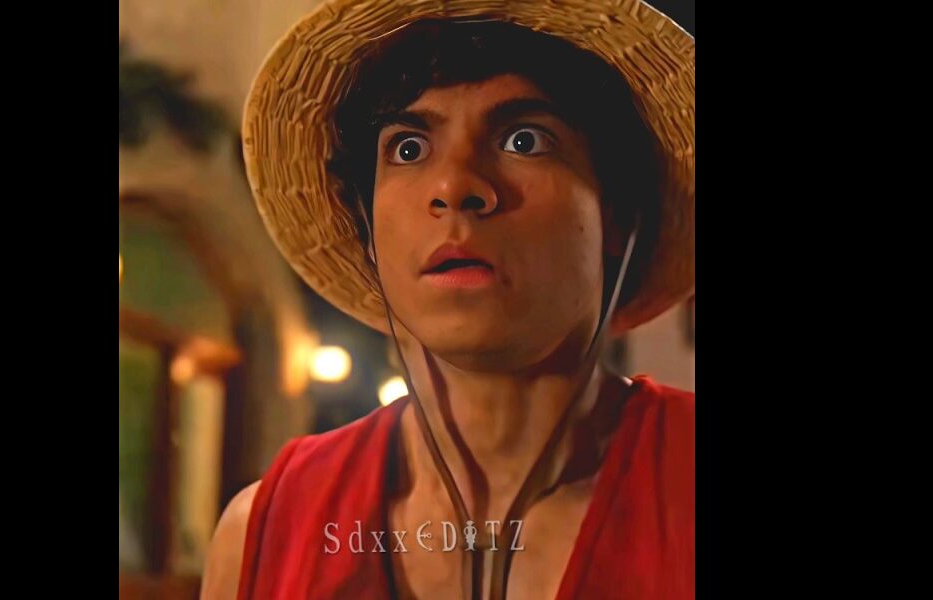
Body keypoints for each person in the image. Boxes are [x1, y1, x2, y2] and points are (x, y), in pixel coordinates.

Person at [203, 1, 694, 598]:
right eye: (408, 149)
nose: (455, 186)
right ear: (367, 227)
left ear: (615, 213)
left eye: (524, 140)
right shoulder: (266, 532)